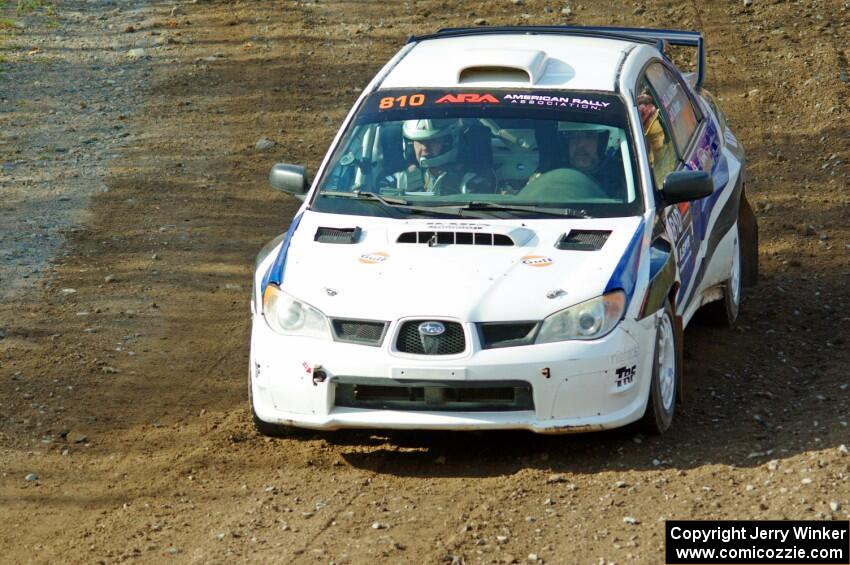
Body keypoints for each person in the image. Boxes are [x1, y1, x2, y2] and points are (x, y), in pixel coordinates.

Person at [382, 119, 493, 196]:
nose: (425, 147)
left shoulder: (469, 181)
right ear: (410, 145)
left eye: (433, 141)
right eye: (419, 141)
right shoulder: (399, 180)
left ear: (449, 142)